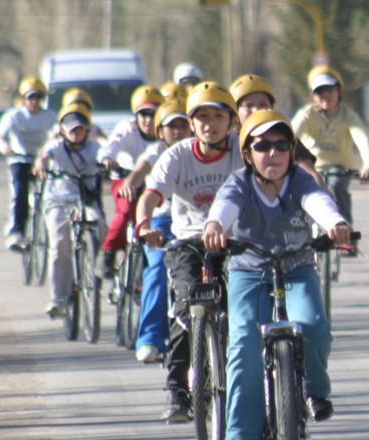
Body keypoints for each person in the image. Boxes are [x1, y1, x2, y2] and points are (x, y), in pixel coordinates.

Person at [203, 109, 350, 436]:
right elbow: (223, 207)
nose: (273, 153)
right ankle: (242, 433)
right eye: (263, 145)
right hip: (249, 272)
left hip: (297, 269)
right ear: (246, 153)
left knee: (313, 326)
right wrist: (215, 226)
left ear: (292, 151)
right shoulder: (239, 183)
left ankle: (315, 388)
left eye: (282, 145)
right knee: (244, 345)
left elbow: (318, 202)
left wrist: (335, 224)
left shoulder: (299, 181)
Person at [135, 82, 242, 422]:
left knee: (244, 305)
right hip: (188, 245)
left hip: (235, 242)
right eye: (202, 117)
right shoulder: (177, 155)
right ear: (192, 123)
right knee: (186, 309)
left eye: (218, 116)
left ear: (233, 121)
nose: (211, 123)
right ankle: (176, 390)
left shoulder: (244, 150)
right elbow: (152, 194)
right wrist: (144, 223)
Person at [126, 100, 193, 380]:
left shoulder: (197, 152)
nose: (177, 131)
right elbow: (140, 172)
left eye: (182, 125)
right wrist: (132, 181)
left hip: (194, 224)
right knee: (157, 269)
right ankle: (150, 338)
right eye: (171, 126)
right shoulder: (157, 152)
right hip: (162, 220)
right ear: (160, 132)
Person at [31, 102, 106, 318]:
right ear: (62, 130)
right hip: (58, 202)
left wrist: (110, 162)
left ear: (87, 129)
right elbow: (43, 155)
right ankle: (58, 299)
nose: (77, 133)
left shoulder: (94, 148)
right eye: (72, 129)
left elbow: (107, 152)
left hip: (85, 200)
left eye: (81, 128)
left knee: (101, 226)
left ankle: (98, 261)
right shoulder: (56, 147)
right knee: (59, 245)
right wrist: (41, 164)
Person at [291, 65, 369, 249]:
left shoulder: (348, 116)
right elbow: (289, 136)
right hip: (310, 168)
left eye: (329, 90)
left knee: (337, 184)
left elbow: (362, 137)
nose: (325, 95)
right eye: (319, 91)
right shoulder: (307, 114)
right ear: (313, 96)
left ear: (339, 91)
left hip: (338, 168)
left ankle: (346, 236)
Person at [98, 86, 164, 279]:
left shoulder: (165, 132)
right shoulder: (127, 129)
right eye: (143, 114)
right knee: (127, 210)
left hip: (153, 182)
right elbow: (111, 146)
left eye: (153, 114)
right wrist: (106, 159)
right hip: (124, 179)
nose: (148, 120)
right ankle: (108, 251)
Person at [0, 76, 58, 251]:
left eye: (38, 97)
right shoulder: (13, 116)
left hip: (43, 161)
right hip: (20, 159)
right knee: (20, 192)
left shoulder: (50, 117)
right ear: (24, 98)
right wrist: (5, 148)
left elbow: (59, 134)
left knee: (54, 192)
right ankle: (16, 231)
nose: (34, 101)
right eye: (30, 97)